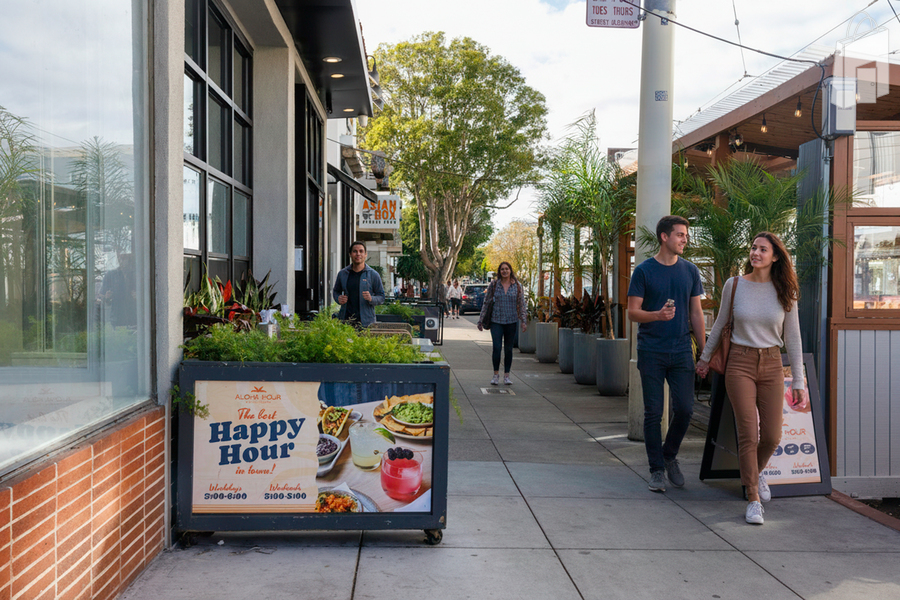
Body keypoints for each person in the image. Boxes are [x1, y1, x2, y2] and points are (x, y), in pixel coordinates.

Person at [696, 232, 809, 525]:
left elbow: (793, 337)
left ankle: (753, 476)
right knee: (748, 433)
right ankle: (753, 499)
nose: (755, 253)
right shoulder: (735, 285)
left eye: (762, 249)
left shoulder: (786, 291)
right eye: (753, 248)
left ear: (775, 257)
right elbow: (720, 323)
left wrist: (799, 380)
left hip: (772, 363)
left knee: (772, 436)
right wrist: (705, 358)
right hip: (740, 363)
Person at [627, 215, 706, 494]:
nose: (685, 239)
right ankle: (656, 470)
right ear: (664, 237)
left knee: (684, 409)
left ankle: (669, 454)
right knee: (653, 413)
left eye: (686, 235)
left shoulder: (690, 271)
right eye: (680, 235)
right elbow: (633, 312)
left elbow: (696, 313)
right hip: (651, 351)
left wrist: (704, 350)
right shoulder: (644, 271)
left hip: (682, 350)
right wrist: (657, 316)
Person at [477, 262, 526, 385]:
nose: (504, 271)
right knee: (497, 348)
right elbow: (486, 303)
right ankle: (495, 374)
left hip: (511, 321)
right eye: (502, 269)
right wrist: (480, 320)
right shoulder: (494, 285)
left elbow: (522, 304)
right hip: (496, 321)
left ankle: (507, 375)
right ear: (500, 271)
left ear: (510, 270)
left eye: (507, 269)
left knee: (508, 350)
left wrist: (523, 321)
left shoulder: (517, 286)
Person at [331, 241, 385, 327]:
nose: (358, 254)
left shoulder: (373, 274)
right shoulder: (343, 274)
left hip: (367, 322)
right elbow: (335, 291)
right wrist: (338, 298)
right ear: (350, 254)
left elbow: (381, 297)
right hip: (345, 321)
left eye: (361, 251)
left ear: (365, 254)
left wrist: (371, 298)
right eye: (355, 251)